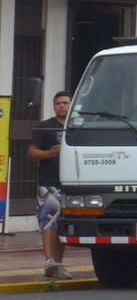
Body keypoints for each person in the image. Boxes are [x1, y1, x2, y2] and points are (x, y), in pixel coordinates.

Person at [27, 90, 73, 280]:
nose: (61, 106)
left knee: (63, 225)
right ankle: (49, 262)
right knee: (48, 222)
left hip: (70, 184)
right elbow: (31, 152)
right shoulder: (44, 127)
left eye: (64, 103)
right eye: (57, 103)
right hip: (48, 183)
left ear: (72, 105)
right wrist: (49, 154)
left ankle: (59, 264)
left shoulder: (76, 127)